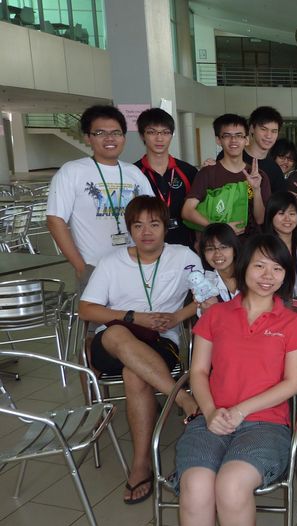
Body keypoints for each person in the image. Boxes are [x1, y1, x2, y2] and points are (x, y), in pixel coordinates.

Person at [176, 234, 297, 526]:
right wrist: (209, 411)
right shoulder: (216, 315)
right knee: (196, 486)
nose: (268, 276)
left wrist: (241, 410)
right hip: (211, 419)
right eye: (259, 266)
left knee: (231, 486)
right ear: (244, 267)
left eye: (277, 268)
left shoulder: (291, 323)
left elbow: (292, 383)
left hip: (266, 423)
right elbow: (198, 372)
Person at [78, 195, 202, 504]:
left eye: (154, 224)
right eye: (138, 225)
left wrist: (178, 316)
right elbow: (86, 309)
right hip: (113, 342)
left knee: (135, 376)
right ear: (129, 229)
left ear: (165, 227)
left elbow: (204, 295)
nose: (146, 232)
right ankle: (182, 397)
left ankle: (140, 464)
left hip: (162, 341)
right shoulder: (111, 262)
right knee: (116, 333)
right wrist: (133, 317)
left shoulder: (183, 256)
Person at [47, 104, 154, 293]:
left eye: (116, 133)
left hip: (137, 266)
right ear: (87, 138)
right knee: (99, 313)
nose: (110, 138)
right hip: (95, 268)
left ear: (123, 137)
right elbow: (55, 220)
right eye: (100, 133)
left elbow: (153, 216)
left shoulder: (133, 173)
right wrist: (81, 268)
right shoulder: (72, 171)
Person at [182, 114, 268, 237]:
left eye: (239, 135)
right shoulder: (207, 173)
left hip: (250, 244)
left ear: (247, 140)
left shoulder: (258, 175)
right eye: (227, 135)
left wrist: (256, 189)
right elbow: (187, 211)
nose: (233, 140)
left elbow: (260, 219)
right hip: (218, 244)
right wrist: (219, 228)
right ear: (218, 140)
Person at [134, 108, 198, 248]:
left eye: (165, 132)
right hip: (147, 248)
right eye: (152, 132)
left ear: (171, 135)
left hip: (185, 247)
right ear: (142, 135)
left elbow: (198, 210)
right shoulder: (133, 173)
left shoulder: (188, 171)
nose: (159, 138)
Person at [263, 191, 297, 295]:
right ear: (270, 216)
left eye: (292, 214)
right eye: (281, 213)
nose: (287, 219)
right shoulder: (261, 250)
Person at [198, 223, 240, 312]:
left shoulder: (251, 275)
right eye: (210, 249)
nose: (217, 254)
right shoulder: (203, 284)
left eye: (223, 247)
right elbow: (203, 317)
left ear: (235, 249)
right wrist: (207, 310)